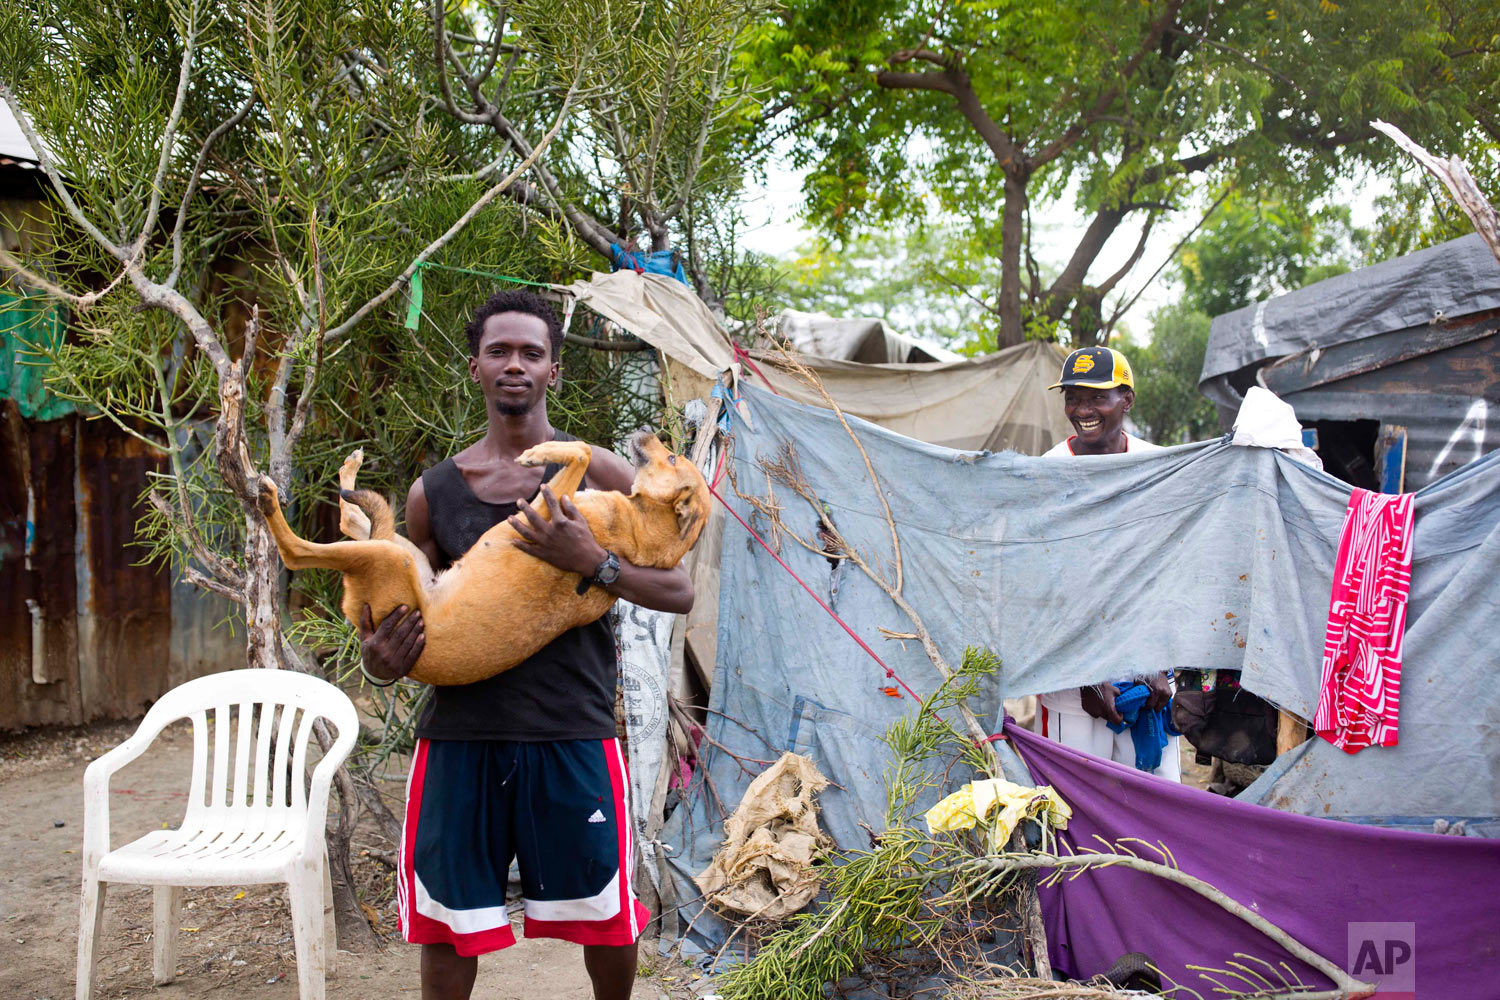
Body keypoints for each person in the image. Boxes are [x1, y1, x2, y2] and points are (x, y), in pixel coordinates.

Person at [360, 289, 694, 1000]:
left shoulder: (599, 472)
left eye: (532, 353)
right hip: (459, 736)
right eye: (500, 351)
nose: (516, 364)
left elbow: (678, 592)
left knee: (606, 918)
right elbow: (393, 622)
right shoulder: (434, 492)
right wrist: (379, 664)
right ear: (476, 368)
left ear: (554, 372)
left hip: (570, 728)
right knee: (448, 926)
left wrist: (592, 561)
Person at [1035, 345, 1181, 780]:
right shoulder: (1047, 473)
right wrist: (1084, 676)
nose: (1083, 409)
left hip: (1150, 682)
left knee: (1160, 817)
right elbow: (1041, 583)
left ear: (1127, 400)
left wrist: (1158, 664)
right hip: (1073, 692)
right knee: (1073, 820)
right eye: (1073, 397)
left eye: (1097, 397)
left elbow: (1172, 570)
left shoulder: (1159, 467)